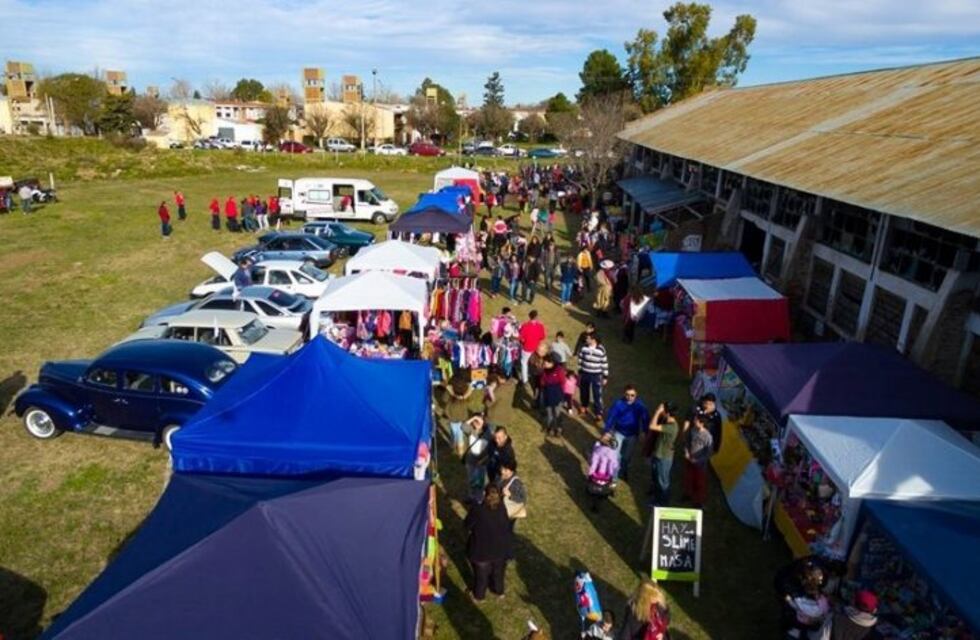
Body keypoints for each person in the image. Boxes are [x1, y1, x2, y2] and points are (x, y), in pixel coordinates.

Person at [464, 484, 512, 602]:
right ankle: (498, 591)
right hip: (500, 549)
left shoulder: (477, 509)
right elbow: (506, 525)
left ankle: (479, 596)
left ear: (485, 494)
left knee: (481, 575)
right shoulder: (502, 507)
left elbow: (467, 525)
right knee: (498, 573)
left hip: (481, 549)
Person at [603, 385, 650, 482]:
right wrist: (607, 431)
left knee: (626, 457)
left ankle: (623, 471)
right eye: (627, 395)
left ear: (636, 395)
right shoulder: (618, 404)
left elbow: (645, 418)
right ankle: (614, 478)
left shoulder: (639, 405)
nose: (629, 397)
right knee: (616, 456)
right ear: (624, 394)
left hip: (632, 435)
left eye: (632, 395)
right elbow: (611, 417)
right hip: (619, 433)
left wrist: (645, 431)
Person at [647, 402, 679, 506]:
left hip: (664, 458)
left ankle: (663, 503)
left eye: (663, 411)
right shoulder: (667, 422)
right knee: (657, 479)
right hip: (658, 455)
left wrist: (657, 412)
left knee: (663, 482)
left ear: (667, 413)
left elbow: (652, 426)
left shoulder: (672, 427)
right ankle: (657, 500)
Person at [683, 412, 713, 508]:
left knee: (699, 483)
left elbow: (708, 453)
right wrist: (686, 452)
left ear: (701, 423)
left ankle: (699, 502)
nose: (694, 421)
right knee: (689, 478)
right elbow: (688, 442)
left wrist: (698, 461)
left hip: (700, 465)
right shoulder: (693, 430)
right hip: (690, 460)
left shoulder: (708, 437)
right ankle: (688, 494)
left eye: (696, 420)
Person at [576, 333, 609, 422]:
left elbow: (604, 363)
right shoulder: (584, 348)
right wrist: (580, 371)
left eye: (588, 338)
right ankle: (584, 407)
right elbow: (580, 360)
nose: (586, 340)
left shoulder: (601, 350)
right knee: (584, 391)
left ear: (594, 340)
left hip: (596, 375)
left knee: (597, 394)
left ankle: (598, 412)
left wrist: (605, 377)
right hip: (585, 373)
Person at [587, 433, 620, 511]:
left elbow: (593, 463)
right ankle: (610, 491)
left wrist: (590, 474)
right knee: (605, 488)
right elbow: (614, 465)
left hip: (596, 473)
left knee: (595, 487)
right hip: (608, 475)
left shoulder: (597, 449)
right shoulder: (612, 452)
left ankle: (594, 502)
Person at [461, 414, 491, 501]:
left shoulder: (487, 433)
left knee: (480, 481)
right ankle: (471, 496)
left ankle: (480, 498)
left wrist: (481, 421)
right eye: (475, 422)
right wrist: (473, 418)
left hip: (482, 462)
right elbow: (463, 426)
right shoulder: (471, 430)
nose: (477, 423)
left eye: (479, 422)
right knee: (471, 479)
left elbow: (490, 450)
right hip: (470, 460)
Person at [444, 377, 474, 457]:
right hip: (462, 418)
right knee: (458, 434)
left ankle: (456, 449)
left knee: (456, 434)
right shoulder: (465, 395)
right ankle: (459, 452)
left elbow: (444, 399)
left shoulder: (450, 394)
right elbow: (470, 397)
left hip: (452, 418)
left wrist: (448, 391)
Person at [538, 354, 567, 437]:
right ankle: (550, 427)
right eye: (544, 362)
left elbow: (563, 382)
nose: (544, 363)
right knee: (549, 412)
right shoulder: (544, 371)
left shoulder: (559, 370)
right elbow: (542, 382)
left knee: (557, 412)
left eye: (546, 362)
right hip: (547, 393)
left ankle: (558, 428)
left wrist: (562, 396)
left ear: (552, 363)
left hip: (557, 394)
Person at [518, 310, 547, 385]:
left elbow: (521, 337)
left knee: (524, 363)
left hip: (526, 348)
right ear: (537, 317)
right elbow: (542, 337)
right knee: (536, 363)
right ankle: (538, 377)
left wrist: (523, 342)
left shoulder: (525, 325)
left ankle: (525, 380)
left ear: (529, 316)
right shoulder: (540, 326)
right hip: (536, 348)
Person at [496, 461, 527, 528]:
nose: (502, 472)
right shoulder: (501, 477)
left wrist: (510, 495)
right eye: (502, 469)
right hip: (500, 511)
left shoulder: (516, 484)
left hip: (508, 514)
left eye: (505, 470)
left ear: (512, 471)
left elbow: (523, 499)